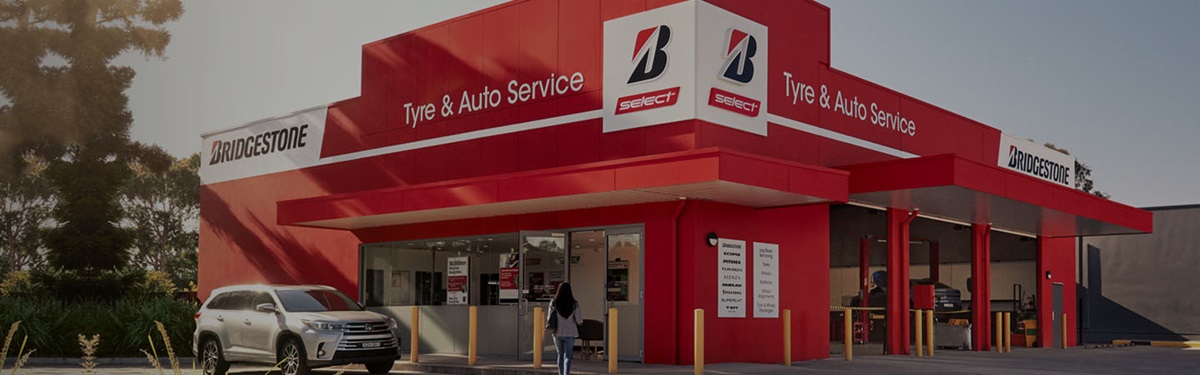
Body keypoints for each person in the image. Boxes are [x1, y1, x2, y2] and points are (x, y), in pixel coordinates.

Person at [548, 282, 583, 375]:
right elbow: (579, 320)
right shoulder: (574, 303)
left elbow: (549, 318)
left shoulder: (553, 303)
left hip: (557, 332)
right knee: (567, 356)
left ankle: (560, 373)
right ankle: (566, 373)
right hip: (570, 333)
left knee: (560, 355)